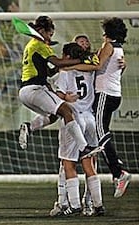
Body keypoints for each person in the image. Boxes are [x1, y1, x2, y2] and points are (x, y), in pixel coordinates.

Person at [17, 15, 102, 161]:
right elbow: (57, 62)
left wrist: (62, 67)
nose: (50, 38)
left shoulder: (32, 45)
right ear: (43, 31)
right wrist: (81, 59)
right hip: (35, 88)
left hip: (27, 91)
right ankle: (83, 148)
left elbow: (51, 70)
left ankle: (30, 127)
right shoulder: (39, 45)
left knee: (56, 114)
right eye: (49, 34)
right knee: (66, 110)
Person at [64, 17, 131, 198]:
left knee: (101, 133)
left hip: (105, 95)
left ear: (108, 31)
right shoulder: (118, 48)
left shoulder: (109, 46)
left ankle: (118, 173)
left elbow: (97, 66)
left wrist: (69, 67)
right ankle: (115, 171)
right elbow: (112, 68)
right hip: (114, 94)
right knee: (101, 134)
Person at [48, 43, 105, 217]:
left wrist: (60, 94)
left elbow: (58, 96)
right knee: (89, 163)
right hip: (90, 119)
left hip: (73, 119)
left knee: (68, 163)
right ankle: (98, 204)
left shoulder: (65, 72)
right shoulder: (90, 70)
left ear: (66, 56)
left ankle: (73, 204)